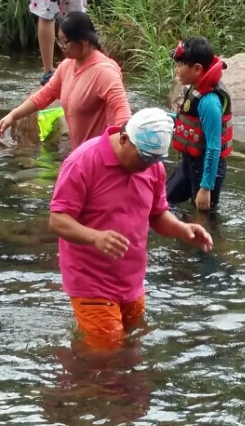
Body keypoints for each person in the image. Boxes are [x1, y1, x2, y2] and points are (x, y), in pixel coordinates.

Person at [48, 107, 214, 349]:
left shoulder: (153, 167)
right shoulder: (83, 162)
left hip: (131, 281)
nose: (149, 165)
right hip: (90, 280)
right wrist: (95, 237)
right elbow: (57, 220)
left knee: (133, 346)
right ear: (124, 139)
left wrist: (182, 229)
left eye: (157, 159)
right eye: (145, 157)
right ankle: (74, 371)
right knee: (109, 351)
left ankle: (77, 354)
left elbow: (156, 214)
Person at [0, 12, 130, 150]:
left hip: (103, 153)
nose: (61, 46)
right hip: (80, 153)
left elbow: (122, 113)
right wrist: (13, 115)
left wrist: (123, 148)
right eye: (59, 41)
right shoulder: (67, 66)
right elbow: (44, 96)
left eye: (65, 42)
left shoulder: (104, 72)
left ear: (84, 41)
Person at [167, 37, 232, 212]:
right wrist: (165, 117)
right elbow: (189, 121)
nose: (176, 69)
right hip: (190, 163)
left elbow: (214, 147)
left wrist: (206, 187)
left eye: (180, 65)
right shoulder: (195, 88)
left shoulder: (209, 102)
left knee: (203, 216)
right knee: (164, 201)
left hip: (207, 169)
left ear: (197, 69)